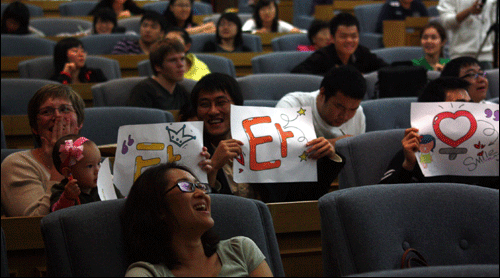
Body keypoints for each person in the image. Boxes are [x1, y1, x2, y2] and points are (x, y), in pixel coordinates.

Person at [191, 73, 345, 202]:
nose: (213, 111)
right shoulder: (191, 151)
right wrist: (214, 168)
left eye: (221, 103)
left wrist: (329, 155)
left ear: (237, 106)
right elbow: (194, 207)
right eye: (204, 104)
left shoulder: (268, 140)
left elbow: (302, 196)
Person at [121, 163, 273, 277]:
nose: (202, 193)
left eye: (200, 186)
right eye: (186, 186)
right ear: (159, 208)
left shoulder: (241, 250)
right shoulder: (145, 273)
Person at [380, 77, 498, 189]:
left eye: (471, 104)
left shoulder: (485, 150)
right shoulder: (414, 152)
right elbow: (385, 199)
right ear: (432, 113)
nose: (470, 111)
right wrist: (408, 166)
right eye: (460, 105)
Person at [1, 84, 85, 216]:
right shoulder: (16, 165)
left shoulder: (92, 160)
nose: (57, 116)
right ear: (35, 127)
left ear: (79, 123)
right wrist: (58, 162)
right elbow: (35, 224)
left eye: (65, 109)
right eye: (47, 111)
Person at [277, 65, 366, 146]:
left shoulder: (358, 113)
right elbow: (280, 148)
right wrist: (336, 144)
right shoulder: (292, 105)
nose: (345, 116)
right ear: (322, 93)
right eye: (339, 107)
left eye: (352, 109)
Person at [291, 12, 387, 75]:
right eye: (343, 36)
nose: (349, 40)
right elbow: (297, 73)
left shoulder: (363, 52)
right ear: (332, 38)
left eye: (354, 36)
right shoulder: (323, 55)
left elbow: (386, 69)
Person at [127, 38, 191, 112]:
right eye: (173, 60)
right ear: (157, 66)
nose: (180, 64)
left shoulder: (183, 92)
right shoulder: (142, 92)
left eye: (182, 59)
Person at [50, 135, 101, 212]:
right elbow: (56, 215)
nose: (98, 170)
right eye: (90, 166)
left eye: (98, 163)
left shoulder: (103, 186)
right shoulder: (62, 191)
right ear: (68, 173)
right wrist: (67, 198)